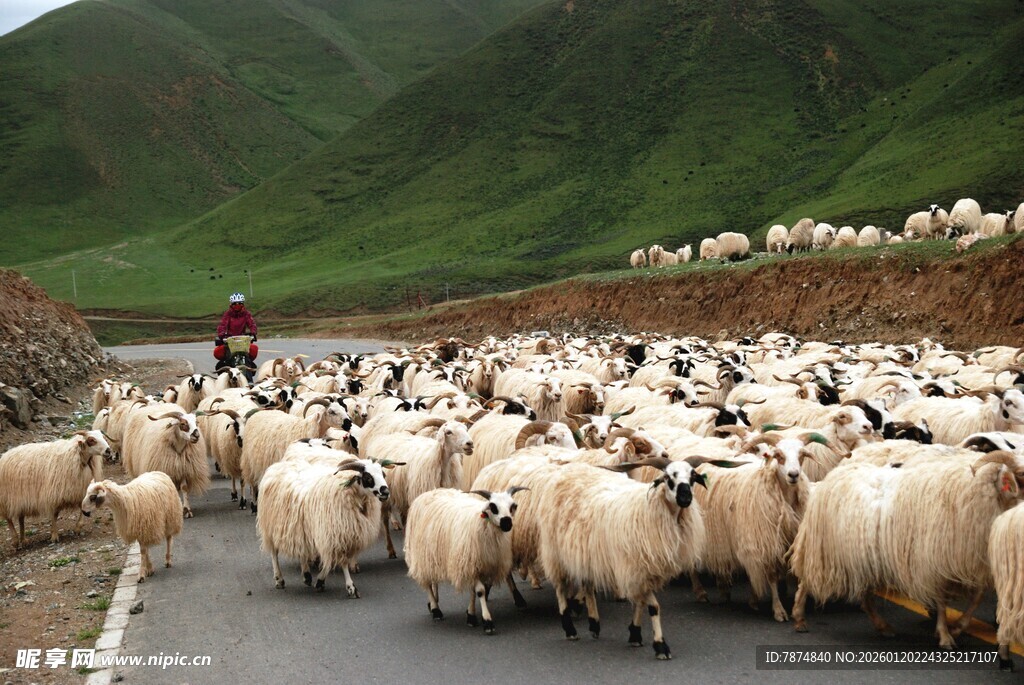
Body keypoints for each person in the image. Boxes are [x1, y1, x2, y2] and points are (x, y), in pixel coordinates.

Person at [214, 292, 258, 372]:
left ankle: (249, 376)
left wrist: (253, 332)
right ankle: (226, 369)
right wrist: (221, 334)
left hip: (243, 340)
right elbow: (222, 325)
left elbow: (252, 324)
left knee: (251, 352)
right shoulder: (227, 314)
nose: (237, 306)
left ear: (243, 304)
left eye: (239, 304)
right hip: (230, 340)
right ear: (231, 305)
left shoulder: (246, 314)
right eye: (235, 304)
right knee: (223, 355)